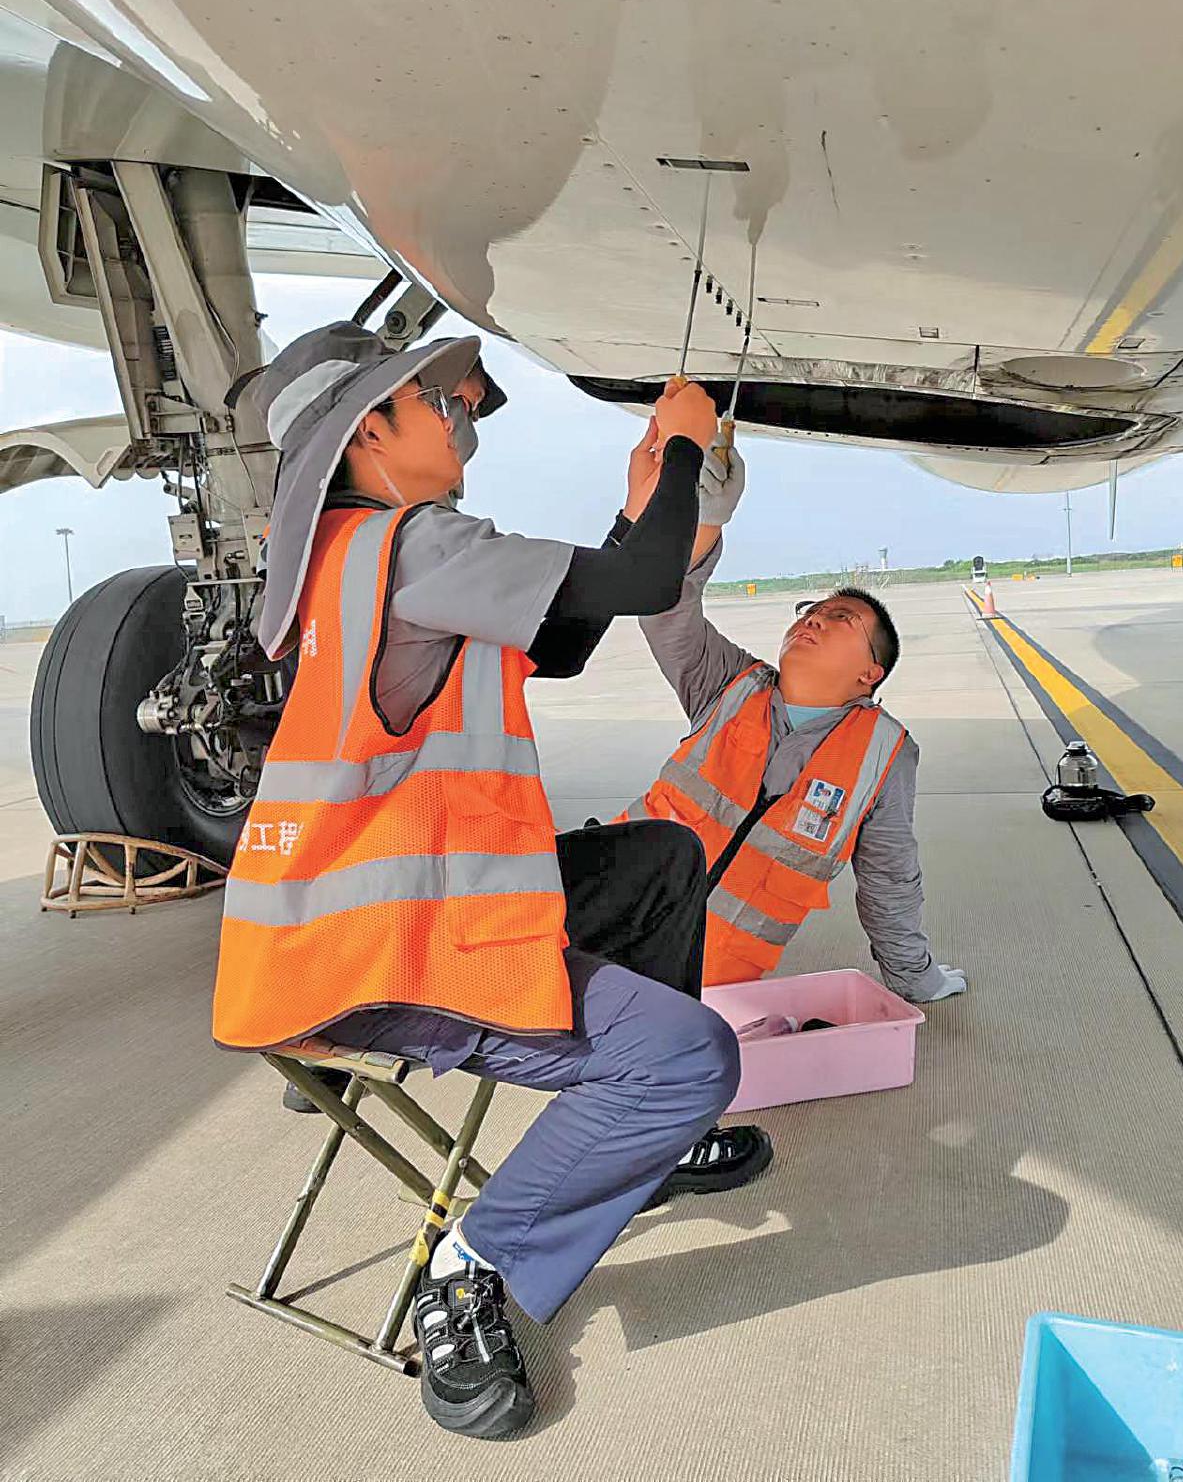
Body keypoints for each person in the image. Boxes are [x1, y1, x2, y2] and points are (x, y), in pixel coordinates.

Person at [211, 324, 771, 1440]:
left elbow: (565, 638)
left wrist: (639, 509)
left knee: (659, 860)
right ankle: (472, 1267)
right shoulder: (409, 543)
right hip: (385, 958)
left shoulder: (354, 554)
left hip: (382, 915)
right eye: (437, 403)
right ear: (370, 432)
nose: (460, 417)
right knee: (690, 1059)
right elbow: (644, 583)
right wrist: (679, 450)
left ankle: (634, 1137)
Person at [620, 437, 966, 1002]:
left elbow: (888, 878)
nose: (815, 620)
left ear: (870, 673)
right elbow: (666, 611)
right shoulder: (728, 684)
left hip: (704, 984)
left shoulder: (884, 754)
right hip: (601, 918)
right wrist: (704, 518)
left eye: (842, 618)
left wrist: (915, 977)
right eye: (812, 611)